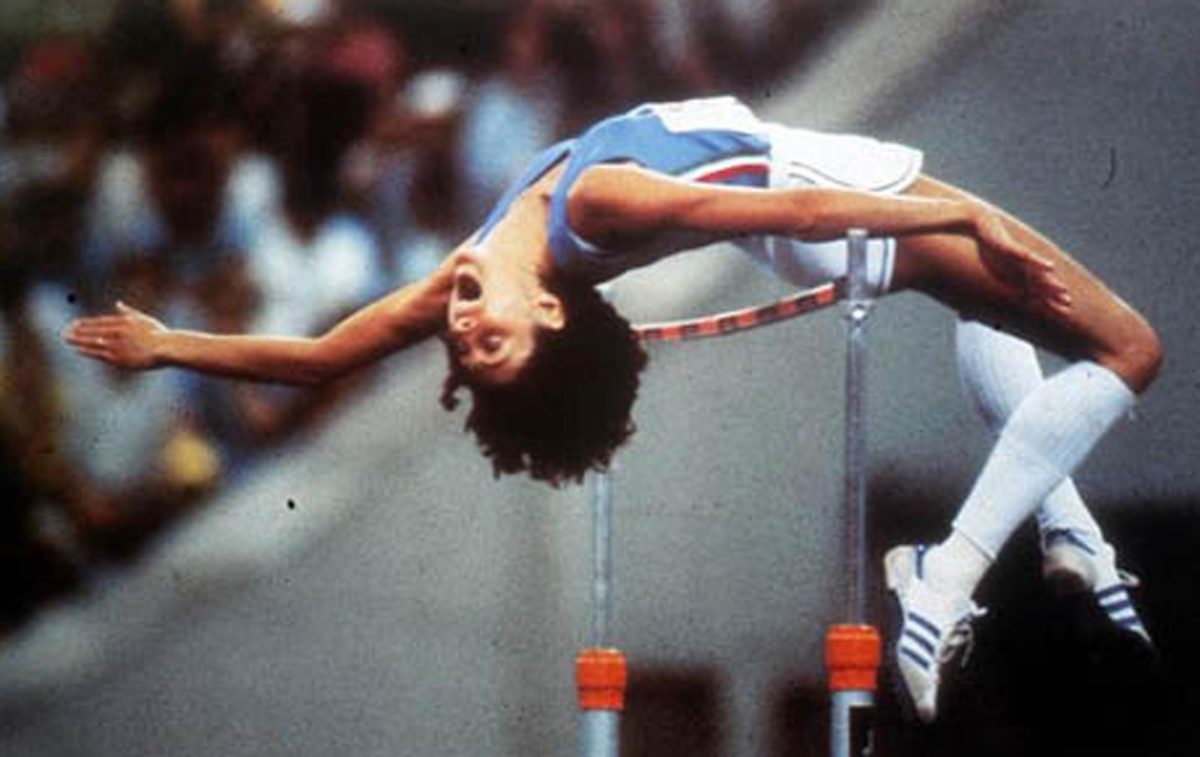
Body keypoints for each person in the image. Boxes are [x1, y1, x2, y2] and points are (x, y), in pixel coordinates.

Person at [64, 96, 1161, 722]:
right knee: (1126, 350)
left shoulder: (474, 253)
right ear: (548, 306)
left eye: (465, 347)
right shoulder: (597, 203)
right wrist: (967, 214)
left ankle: (1068, 535)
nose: (461, 330)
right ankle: (947, 577)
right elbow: (794, 199)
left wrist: (172, 347)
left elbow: (313, 358)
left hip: (800, 201)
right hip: (822, 192)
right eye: (494, 345)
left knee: (997, 319)